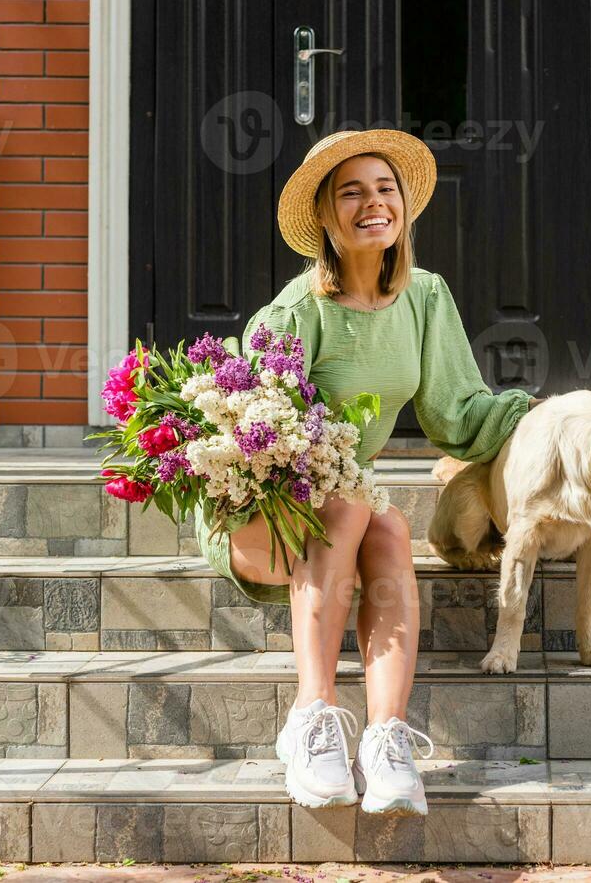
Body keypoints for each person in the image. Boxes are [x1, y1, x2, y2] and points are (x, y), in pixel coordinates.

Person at [193, 129, 533, 816]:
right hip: (261, 512)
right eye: (351, 192)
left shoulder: (425, 296)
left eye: (385, 189)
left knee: (389, 526)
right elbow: (245, 440)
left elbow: (456, 413)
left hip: (349, 503)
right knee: (353, 505)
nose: (373, 203)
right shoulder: (298, 311)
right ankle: (311, 720)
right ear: (324, 216)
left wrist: (543, 422)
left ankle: (385, 740)